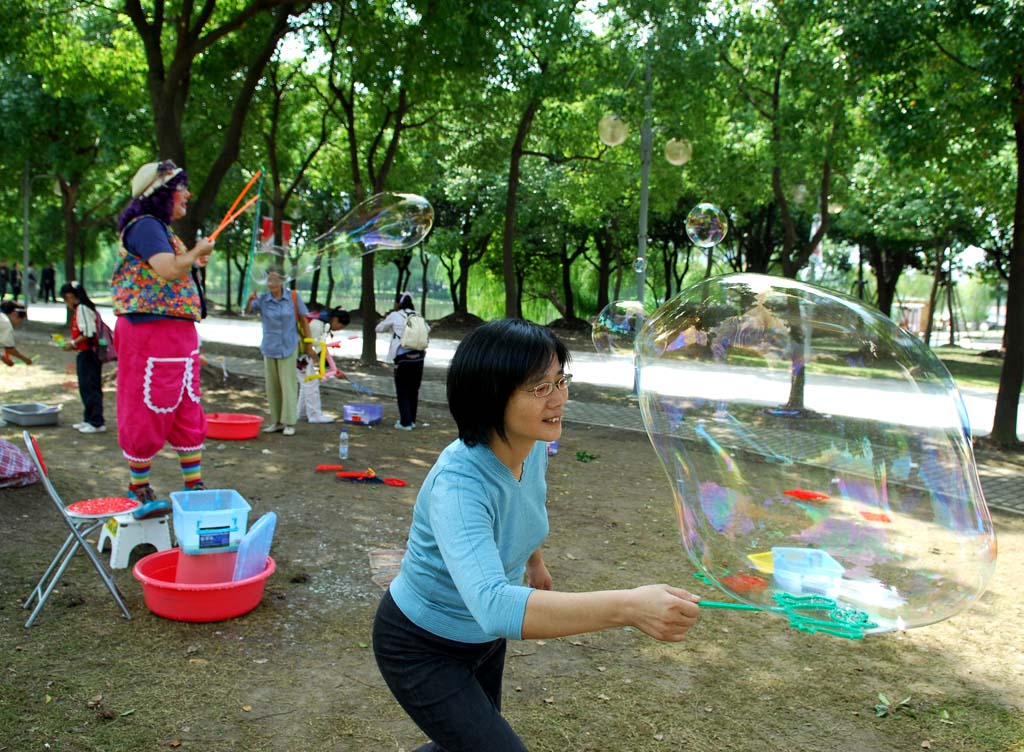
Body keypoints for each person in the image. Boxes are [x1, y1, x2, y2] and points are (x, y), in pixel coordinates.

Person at [372, 319, 702, 751]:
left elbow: (526, 507)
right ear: (490, 395)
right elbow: (492, 604)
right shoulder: (459, 485)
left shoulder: (533, 446)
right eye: (539, 387)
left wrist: (534, 561)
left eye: (560, 380)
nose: (560, 398)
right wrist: (629, 607)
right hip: (421, 644)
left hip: (482, 642)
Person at [112, 159, 215, 505]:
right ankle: (138, 488)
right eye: (181, 187)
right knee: (146, 406)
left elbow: (173, 269)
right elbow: (169, 270)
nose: (188, 194)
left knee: (186, 403)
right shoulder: (144, 226)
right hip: (149, 332)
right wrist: (195, 253)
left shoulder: (160, 230)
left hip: (174, 334)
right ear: (161, 193)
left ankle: (194, 485)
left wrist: (193, 259)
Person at [247, 269, 315, 436]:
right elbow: (249, 310)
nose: (272, 283)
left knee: (288, 384)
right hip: (269, 347)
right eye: (269, 280)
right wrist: (249, 299)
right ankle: (276, 421)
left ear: (282, 281)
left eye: (275, 280)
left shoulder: (292, 297)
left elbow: (304, 319)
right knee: (272, 387)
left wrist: (309, 343)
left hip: (288, 346)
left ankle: (289, 422)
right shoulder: (263, 299)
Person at [375, 292, 429, 431]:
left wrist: (391, 325)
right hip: (419, 358)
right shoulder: (418, 315)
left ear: (399, 303)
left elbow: (379, 329)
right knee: (413, 390)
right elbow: (428, 329)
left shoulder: (395, 315)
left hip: (403, 358)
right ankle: (412, 420)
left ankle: (405, 423)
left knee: (402, 390)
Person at [59, 281, 107, 433]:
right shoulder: (83, 309)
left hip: (89, 354)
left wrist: (72, 343)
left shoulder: (83, 309)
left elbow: (88, 333)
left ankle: (96, 422)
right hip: (85, 353)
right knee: (86, 386)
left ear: (70, 296)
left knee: (91, 386)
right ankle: (88, 418)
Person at [295, 301, 336, 424]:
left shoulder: (317, 320)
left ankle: (301, 413)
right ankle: (314, 415)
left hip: (299, 353)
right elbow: (314, 343)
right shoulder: (318, 325)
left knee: (306, 383)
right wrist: (314, 355)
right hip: (302, 355)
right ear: (336, 320)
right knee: (311, 382)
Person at [0, 300, 31, 367]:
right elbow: (9, 349)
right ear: (15, 314)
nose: (19, 324)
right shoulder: (5, 323)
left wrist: (2, 358)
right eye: (21, 320)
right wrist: (25, 359)